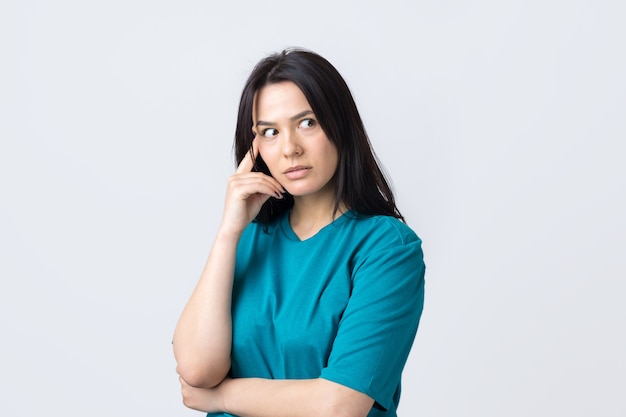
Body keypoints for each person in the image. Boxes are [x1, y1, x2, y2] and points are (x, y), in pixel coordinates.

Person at [172, 47, 426, 417]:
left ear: (339, 124)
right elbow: (196, 371)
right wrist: (229, 231)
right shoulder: (247, 241)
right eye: (270, 132)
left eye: (307, 123)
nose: (290, 148)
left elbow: (340, 404)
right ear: (255, 148)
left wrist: (221, 399)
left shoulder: (387, 248)